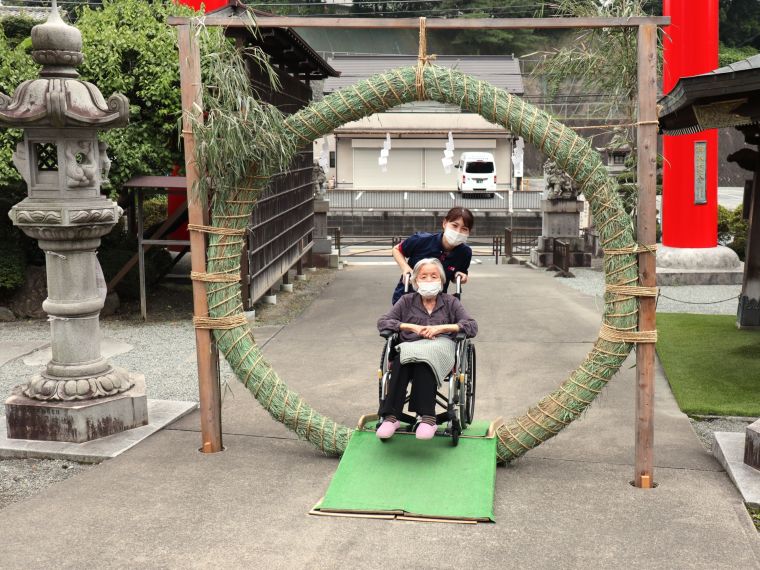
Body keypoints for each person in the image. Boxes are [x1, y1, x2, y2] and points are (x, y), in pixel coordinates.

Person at [376, 258, 478, 440]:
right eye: (424, 276)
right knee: (401, 359)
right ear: (415, 281)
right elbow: (383, 322)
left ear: (442, 280)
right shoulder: (406, 301)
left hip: (441, 347)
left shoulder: (450, 302)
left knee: (425, 359)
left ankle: (428, 417)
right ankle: (391, 416)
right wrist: (409, 327)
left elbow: (471, 326)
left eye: (434, 276)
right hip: (410, 346)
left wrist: (444, 328)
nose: (429, 280)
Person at [390, 207, 474, 305]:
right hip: (407, 297)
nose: (458, 232)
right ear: (445, 223)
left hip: (436, 302)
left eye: (464, 229)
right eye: (454, 225)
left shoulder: (465, 253)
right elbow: (396, 249)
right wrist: (405, 268)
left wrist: (460, 277)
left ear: (469, 232)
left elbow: (456, 276)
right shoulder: (421, 240)